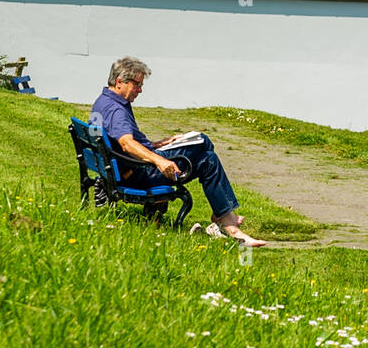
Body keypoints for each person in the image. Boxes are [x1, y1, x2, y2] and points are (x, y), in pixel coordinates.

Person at [90, 56, 266, 247]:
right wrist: (160, 160)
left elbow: (120, 142)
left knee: (207, 158)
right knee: (204, 146)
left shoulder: (103, 101)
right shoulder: (117, 109)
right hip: (139, 173)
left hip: (121, 170)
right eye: (137, 85)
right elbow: (126, 144)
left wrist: (156, 144)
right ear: (119, 82)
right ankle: (228, 223)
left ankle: (225, 218)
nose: (140, 90)